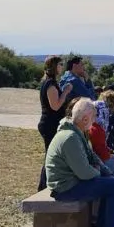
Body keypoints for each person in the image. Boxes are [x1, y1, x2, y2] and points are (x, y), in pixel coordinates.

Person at [44, 98, 114, 227]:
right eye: (93, 118)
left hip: (69, 182)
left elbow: (91, 155)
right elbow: (85, 173)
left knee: (111, 184)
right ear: (85, 119)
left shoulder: (76, 131)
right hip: (64, 188)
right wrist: (98, 171)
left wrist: (105, 171)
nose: (94, 121)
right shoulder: (70, 138)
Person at [38, 55, 74, 190]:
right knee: (50, 156)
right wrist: (65, 91)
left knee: (52, 155)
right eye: (60, 64)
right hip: (49, 124)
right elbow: (55, 106)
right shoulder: (50, 84)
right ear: (54, 66)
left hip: (52, 123)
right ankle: (43, 186)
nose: (61, 67)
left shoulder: (51, 82)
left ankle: (46, 185)